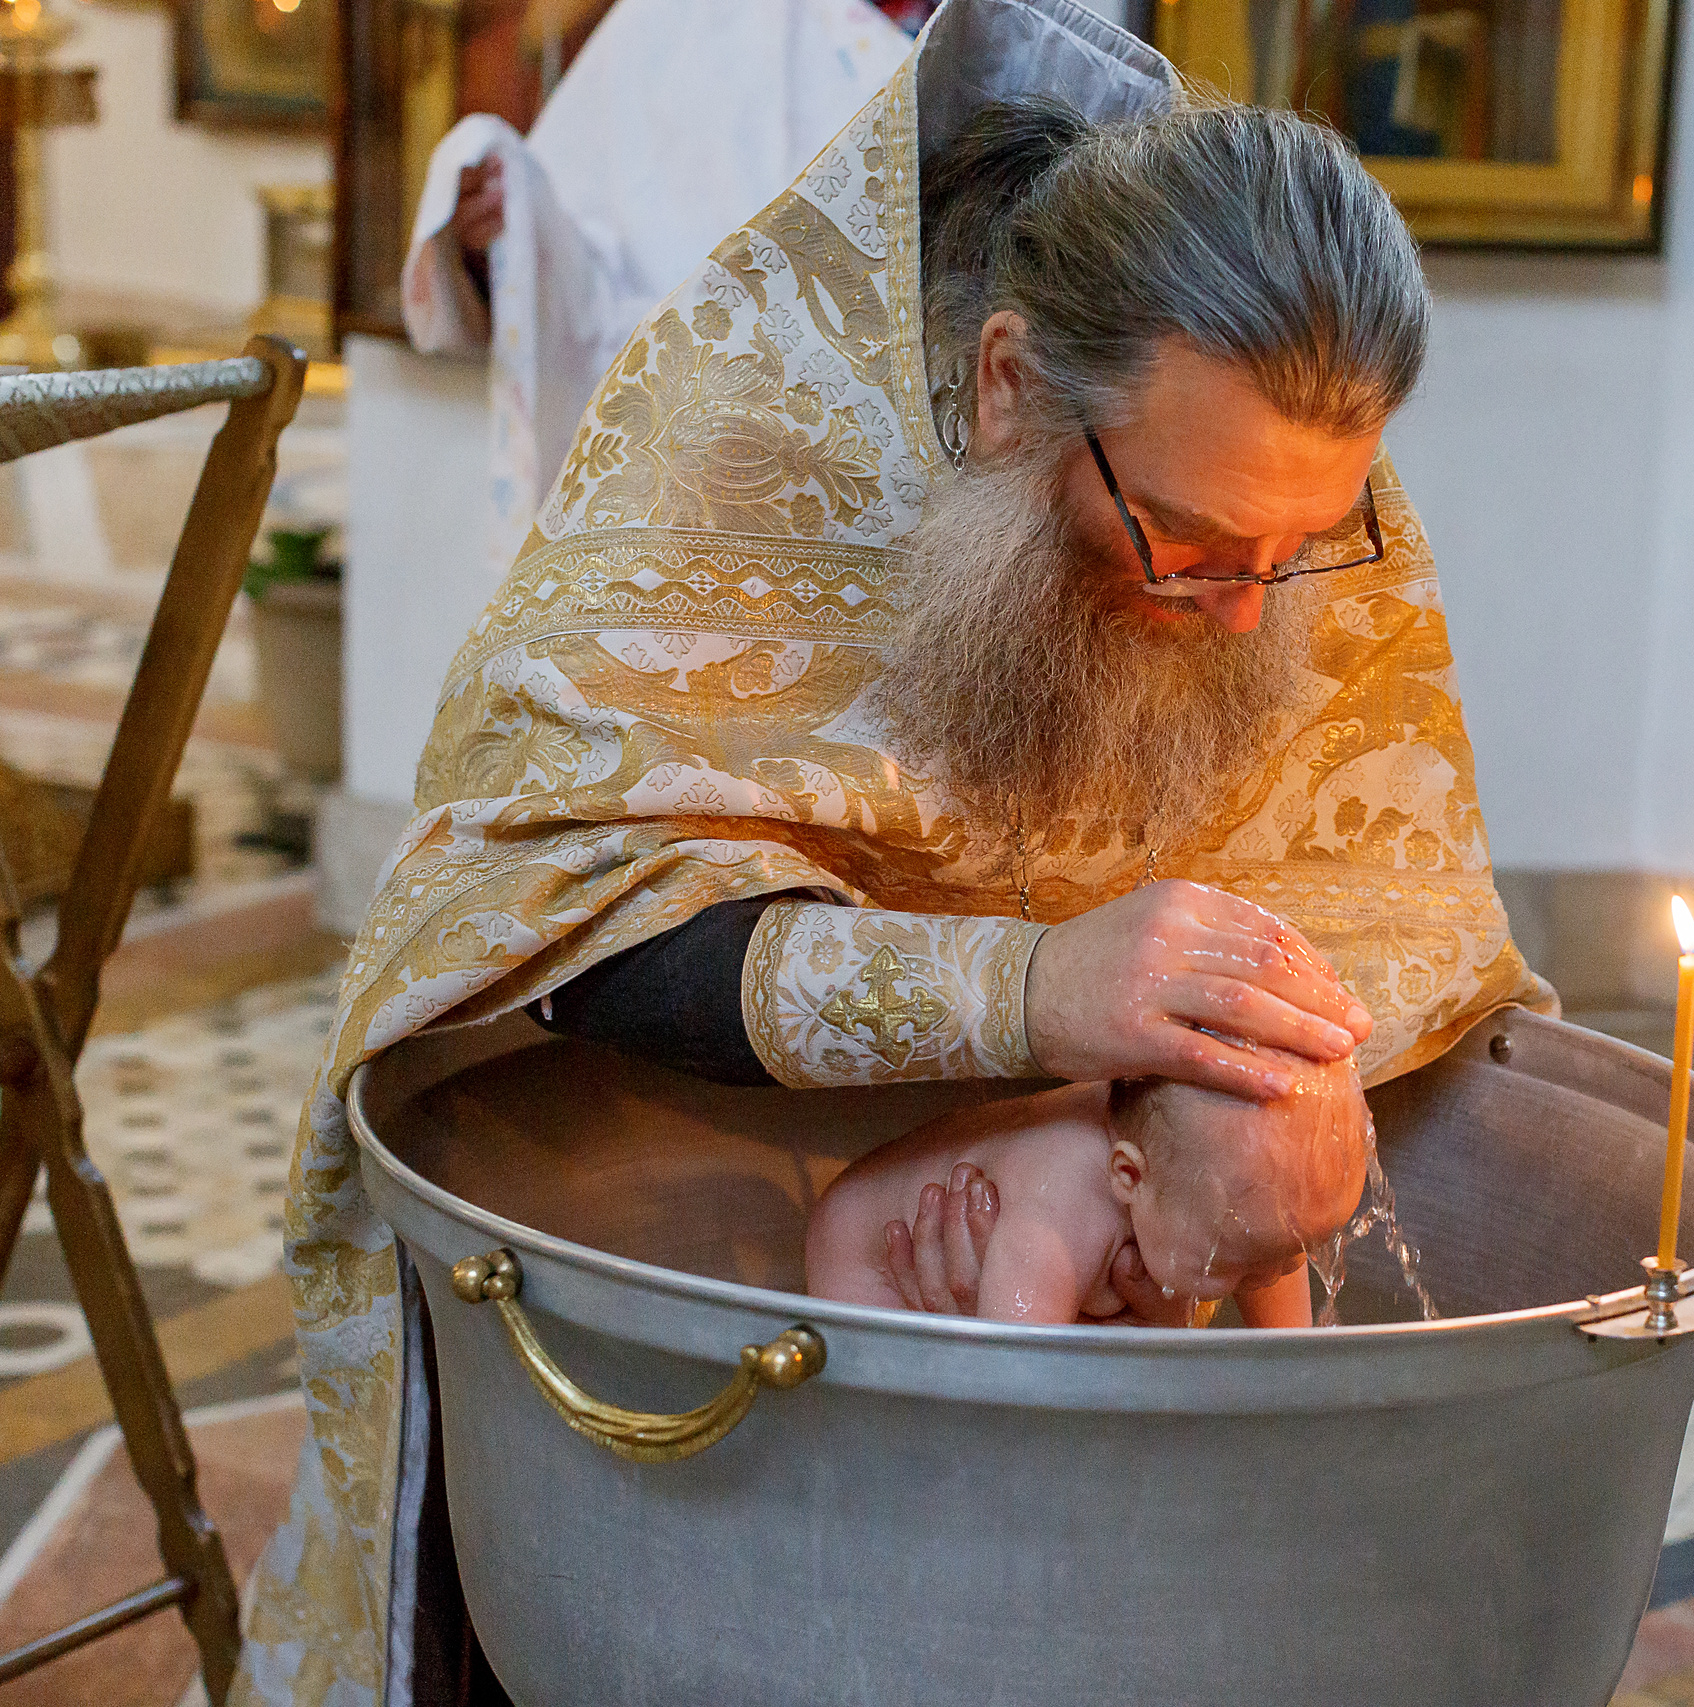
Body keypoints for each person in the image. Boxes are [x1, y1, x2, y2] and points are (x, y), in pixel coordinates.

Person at [236, 3, 1549, 1699]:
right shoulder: (750, 413)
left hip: (1119, 1268)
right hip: (706, 1273)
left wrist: (1192, 1152)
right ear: (1009, 387)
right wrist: (1016, 990)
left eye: (1299, 551)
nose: (1247, 611)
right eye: (1190, 543)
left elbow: (1386, 913)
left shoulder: (1274, 477)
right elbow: (528, 908)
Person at [401, 0, 913, 579]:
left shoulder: (993, 35)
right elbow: (585, 294)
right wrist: (506, 226)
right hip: (671, 520)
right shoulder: (672, 22)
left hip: (904, 522)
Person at [804, 1058, 1370, 1326]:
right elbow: (1018, 1390)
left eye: (1299, 1252)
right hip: (866, 1257)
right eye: (1236, 1264)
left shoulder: (1218, 1184)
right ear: (1129, 1176)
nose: (1272, 1275)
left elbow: (1289, 1351)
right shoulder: (1059, 1215)